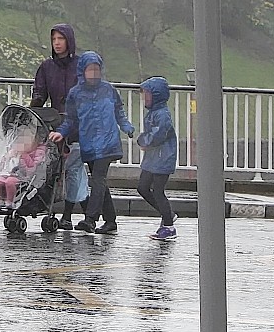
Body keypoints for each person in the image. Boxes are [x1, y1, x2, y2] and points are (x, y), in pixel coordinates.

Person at [49, 50, 134, 234]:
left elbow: (119, 111)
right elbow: (71, 120)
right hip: (89, 145)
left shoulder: (108, 89)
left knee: (98, 179)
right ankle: (110, 221)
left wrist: (126, 127)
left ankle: (90, 219)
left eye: (97, 69)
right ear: (82, 71)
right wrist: (60, 133)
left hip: (108, 142)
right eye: (90, 70)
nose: (94, 74)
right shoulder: (75, 94)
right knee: (99, 181)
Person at [29, 24, 88, 224]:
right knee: (61, 167)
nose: (57, 43)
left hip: (79, 123)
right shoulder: (47, 67)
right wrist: (32, 114)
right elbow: (39, 94)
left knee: (73, 168)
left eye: (60, 39)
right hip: (57, 122)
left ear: (69, 41)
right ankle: (78, 214)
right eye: (54, 39)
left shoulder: (80, 66)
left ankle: (72, 214)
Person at [136, 76, 178, 241]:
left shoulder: (162, 115)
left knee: (158, 191)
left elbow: (158, 134)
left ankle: (169, 226)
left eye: (147, 95)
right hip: (153, 158)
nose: (144, 99)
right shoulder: (154, 113)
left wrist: (145, 141)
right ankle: (168, 214)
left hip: (162, 157)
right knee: (142, 187)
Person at [0, 131, 47, 210]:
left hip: (23, 176)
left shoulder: (31, 155)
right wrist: (7, 158)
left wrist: (23, 158)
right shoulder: (13, 151)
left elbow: (32, 169)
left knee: (10, 183)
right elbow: (3, 164)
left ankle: (10, 201)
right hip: (9, 173)